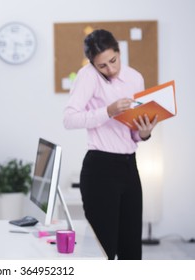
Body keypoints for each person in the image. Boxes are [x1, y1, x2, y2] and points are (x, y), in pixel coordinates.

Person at [63, 29, 158, 260]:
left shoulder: (135, 78)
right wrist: (108, 111)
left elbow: (133, 133)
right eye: (102, 66)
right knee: (103, 250)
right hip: (100, 169)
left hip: (129, 166)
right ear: (93, 64)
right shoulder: (88, 76)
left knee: (132, 249)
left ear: (119, 51)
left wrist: (143, 134)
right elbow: (69, 119)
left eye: (113, 61)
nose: (110, 69)